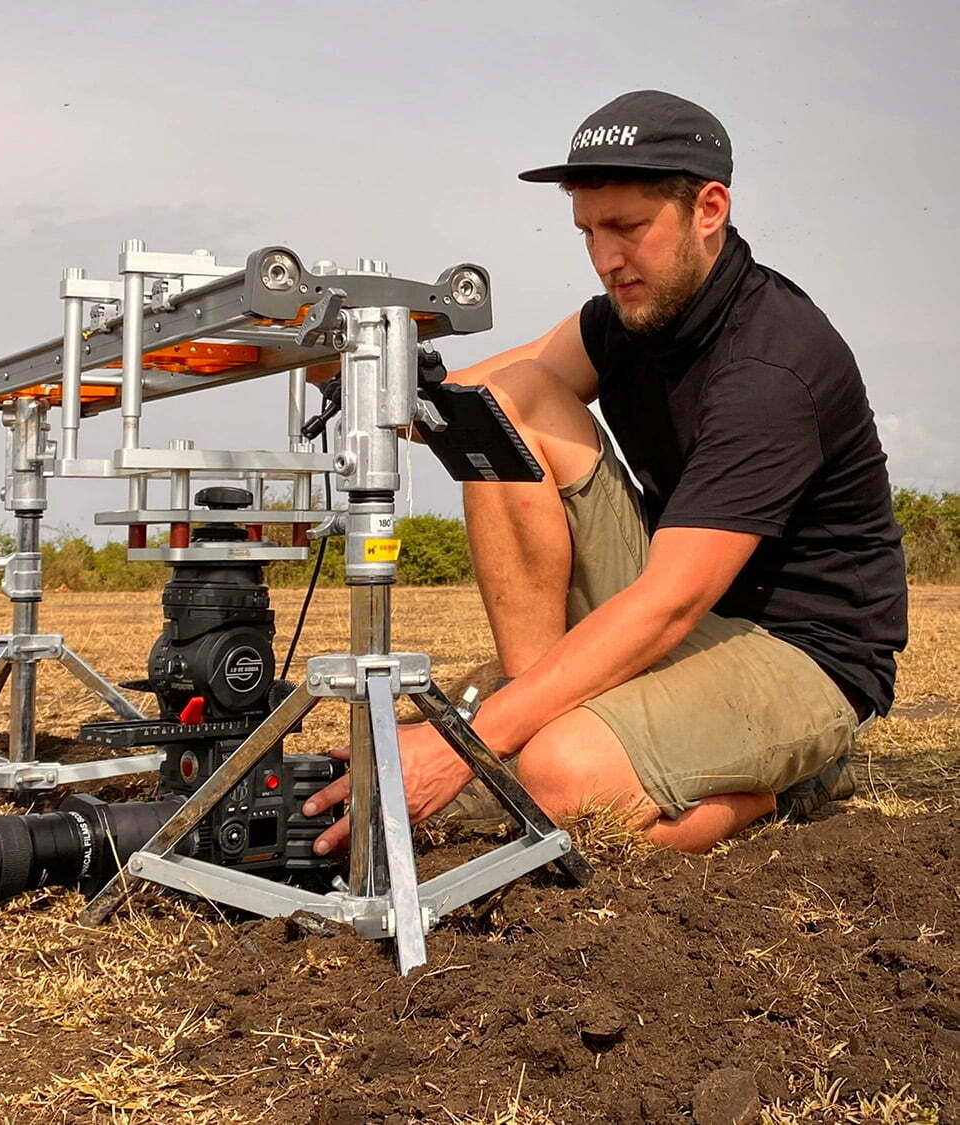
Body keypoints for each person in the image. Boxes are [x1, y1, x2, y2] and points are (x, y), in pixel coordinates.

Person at [304, 90, 908, 854]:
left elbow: (668, 604)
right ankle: (538, 719)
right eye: (588, 231)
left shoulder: (772, 364)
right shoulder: (627, 317)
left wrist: (471, 743)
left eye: (627, 228)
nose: (605, 258)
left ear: (709, 208)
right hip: (686, 609)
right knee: (509, 400)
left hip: (800, 652)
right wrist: (353, 369)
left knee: (560, 779)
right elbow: (459, 404)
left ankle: (775, 791)